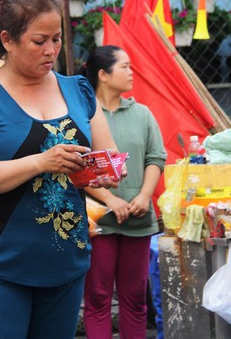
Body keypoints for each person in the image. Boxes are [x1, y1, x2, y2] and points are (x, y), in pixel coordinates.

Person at [0, 0, 122, 339]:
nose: (51, 50)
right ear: (8, 40)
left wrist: (106, 172)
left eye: (57, 39)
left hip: (64, 260)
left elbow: (107, 155)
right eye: (39, 41)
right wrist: (41, 162)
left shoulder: (79, 91)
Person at [80, 45, 167, 339]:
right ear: (103, 74)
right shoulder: (82, 114)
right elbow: (77, 168)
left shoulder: (142, 113)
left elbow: (156, 158)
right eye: (125, 67)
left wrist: (144, 196)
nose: (132, 72)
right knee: (98, 298)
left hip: (138, 219)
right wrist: (110, 199)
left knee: (135, 299)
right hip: (97, 221)